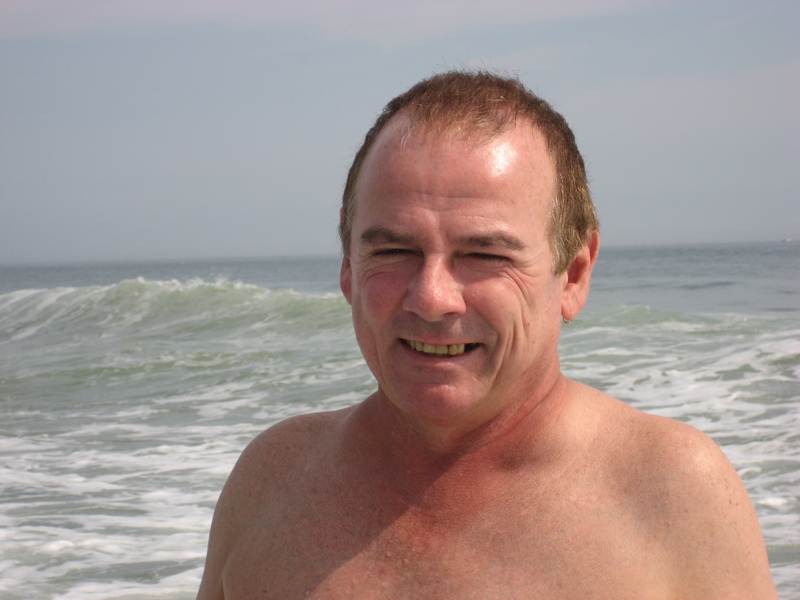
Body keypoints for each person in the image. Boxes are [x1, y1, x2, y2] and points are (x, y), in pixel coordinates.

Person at [197, 71, 776, 599]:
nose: (431, 297)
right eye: (394, 250)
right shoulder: (274, 481)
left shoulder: (670, 493)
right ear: (348, 268)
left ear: (574, 275)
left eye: (485, 254)